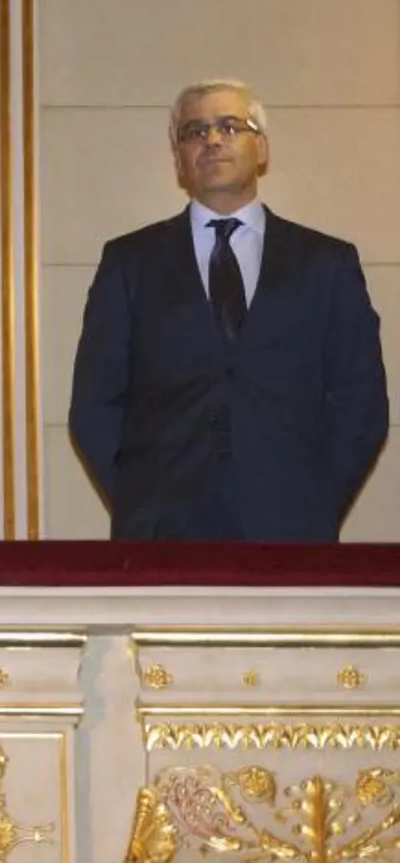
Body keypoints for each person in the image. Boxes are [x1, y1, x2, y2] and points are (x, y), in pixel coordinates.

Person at [69, 79, 388, 541]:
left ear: (261, 148)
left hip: (292, 529)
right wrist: (142, 499)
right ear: (179, 158)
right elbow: (94, 405)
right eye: (194, 131)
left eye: (230, 126)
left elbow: (361, 402)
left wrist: (315, 500)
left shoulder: (326, 263)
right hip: (161, 530)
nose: (212, 140)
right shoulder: (129, 262)